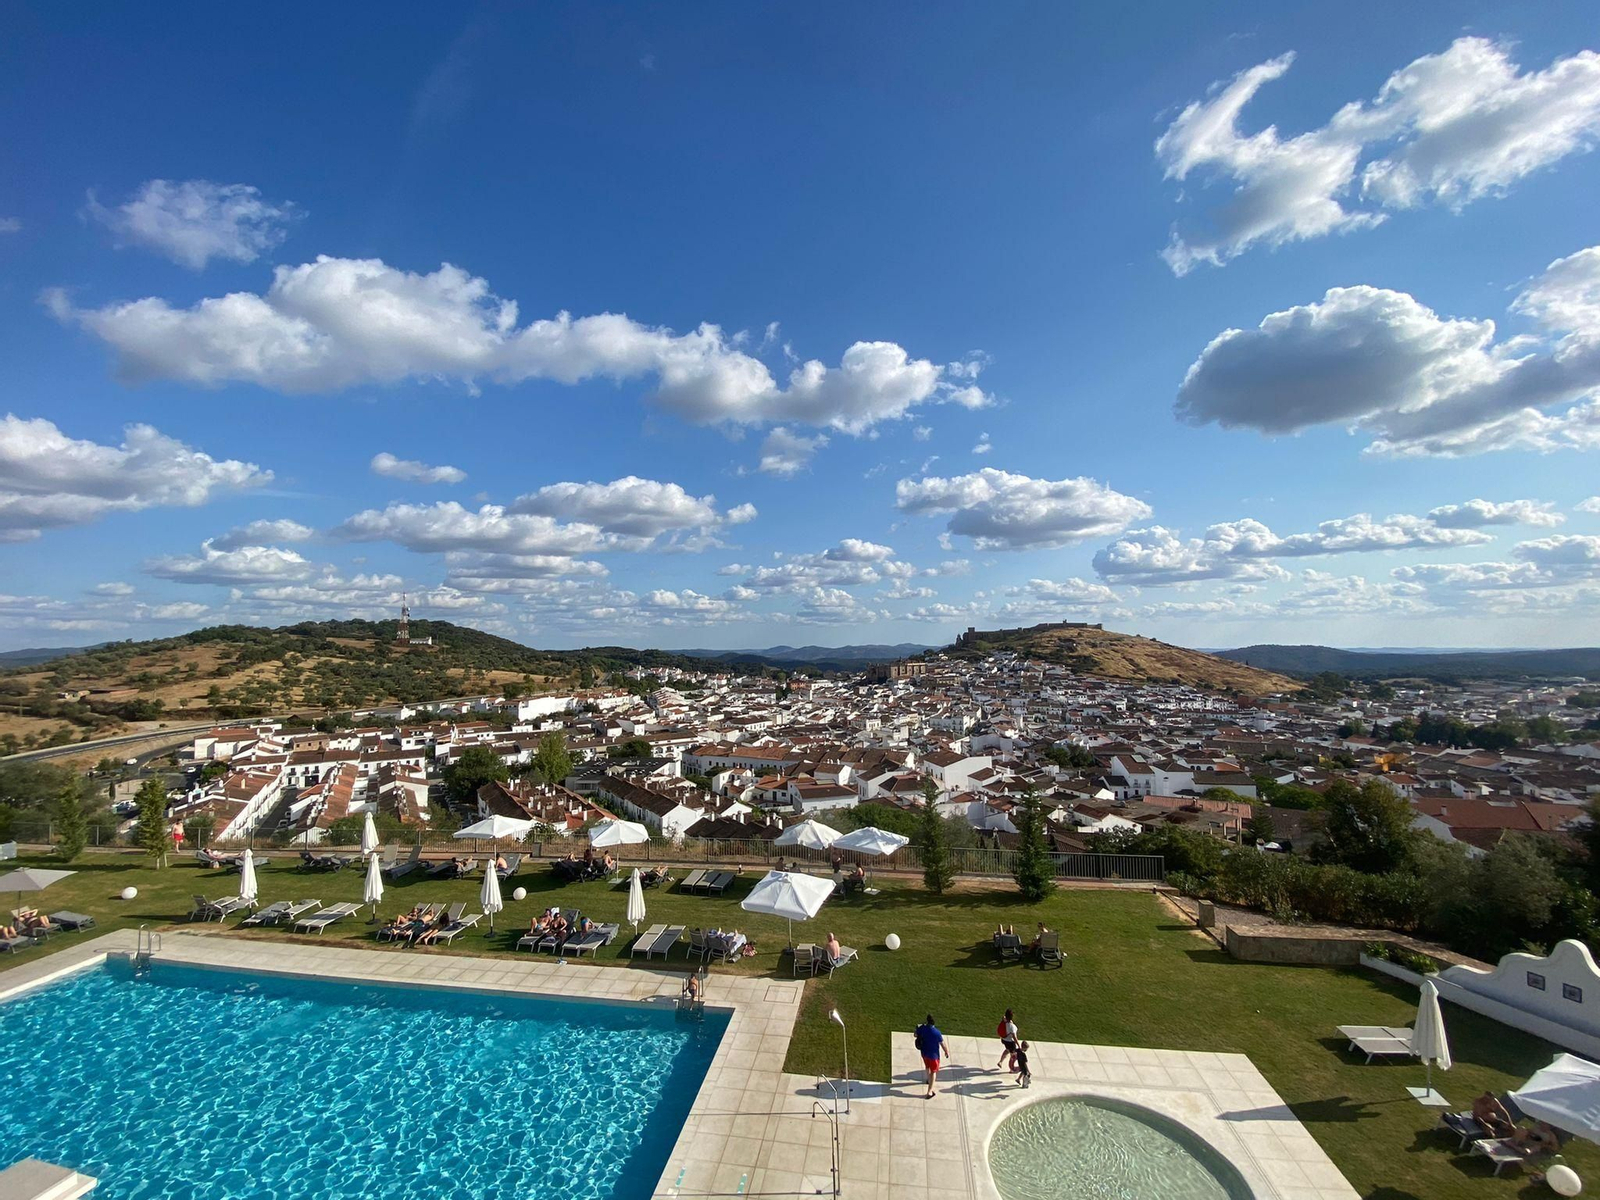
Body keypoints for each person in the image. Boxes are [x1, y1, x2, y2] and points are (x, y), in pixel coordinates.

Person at [914, 1014, 947, 1099]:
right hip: (934, 1056)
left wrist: (918, 1028)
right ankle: (929, 1091)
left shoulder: (922, 1028)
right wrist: (946, 1051)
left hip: (924, 1053)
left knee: (927, 1066)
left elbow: (915, 1035)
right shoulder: (936, 1032)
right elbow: (942, 1043)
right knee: (933, 1072)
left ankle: (928, 1080)